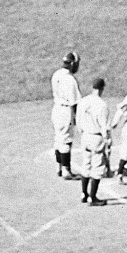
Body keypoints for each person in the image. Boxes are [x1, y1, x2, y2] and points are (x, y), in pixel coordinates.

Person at [75, 77, 111, 206]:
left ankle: (84, 194)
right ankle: (93, 197)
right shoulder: (102, 105)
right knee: (97, 168)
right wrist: (108, 142)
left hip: (85, 136)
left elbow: (78, 121)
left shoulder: (83, 101)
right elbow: (105, 128)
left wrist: (83, 133)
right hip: (96, 138)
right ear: (102, 88)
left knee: (86, 165)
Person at [50, 51, 83, 179]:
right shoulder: (70, 79)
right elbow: (75, 102)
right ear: (72, 64)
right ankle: (66, 170)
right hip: (65, 112)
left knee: (59, 138)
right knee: (66, 140)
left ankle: (59, 167)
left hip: (56, 109)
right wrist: (78, 119)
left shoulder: (56, 74)